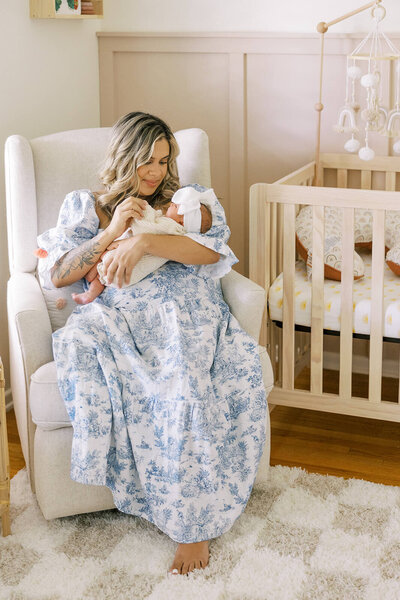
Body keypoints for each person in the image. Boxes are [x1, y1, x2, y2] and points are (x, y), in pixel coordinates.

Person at [37, 111, 268, 576]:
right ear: (125, 157)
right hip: (123, 318)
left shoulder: (185, 202)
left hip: (189, 313)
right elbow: (58, 273)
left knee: (184, 385)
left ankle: (193, 527)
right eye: (148, 159)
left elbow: (213, 252)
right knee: (146, 380)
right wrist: (111, 232)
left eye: (164, 160)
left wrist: (144, 243)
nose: (156, 171)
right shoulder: (87, 205)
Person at [70, 190, 213, 304]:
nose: (172, 204)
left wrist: (145, 210)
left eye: (176, 207)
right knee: (104, 265)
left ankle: (91, 291)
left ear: (182, 222)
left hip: (130, 266)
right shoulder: (176, 231)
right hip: (125, 275)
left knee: (105, 262)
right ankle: (90, 291)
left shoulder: (171, 227)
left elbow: (147, 225)